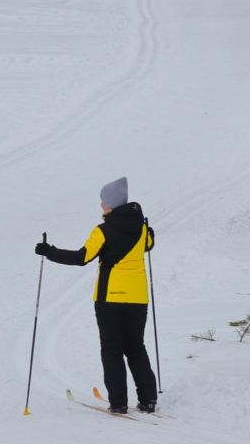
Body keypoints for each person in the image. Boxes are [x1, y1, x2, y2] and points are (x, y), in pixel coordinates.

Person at [35, 176, 158, 414]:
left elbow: (82, 258)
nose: (101, 205)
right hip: (138, 298)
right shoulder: (142, 228)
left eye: (103, 201)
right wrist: (147, 229)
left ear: (111, 203)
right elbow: (149, 244)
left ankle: (119, 403)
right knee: (135, 347)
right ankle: (148, 399)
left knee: (111, 349)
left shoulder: (103, 230)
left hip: (109, 298)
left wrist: (49, 252)